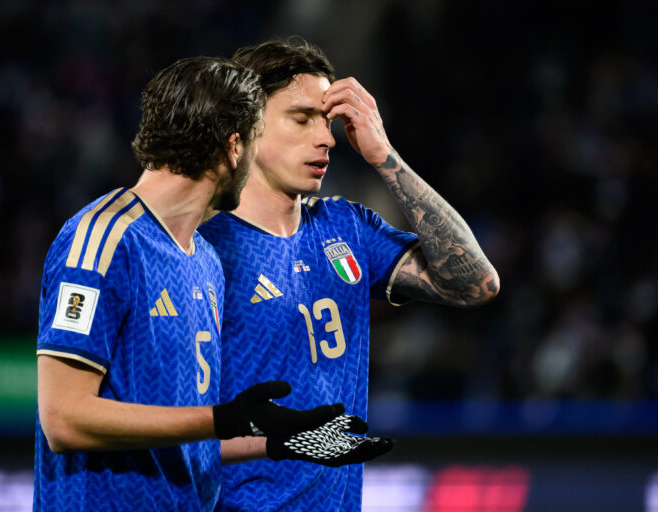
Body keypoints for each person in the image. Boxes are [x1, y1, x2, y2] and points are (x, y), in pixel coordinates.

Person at [33, 56, 363, 512]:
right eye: (252, 142)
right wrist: (226, 417)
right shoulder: (104, 240)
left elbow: (185, 433)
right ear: (233, 147)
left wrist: (277, 442)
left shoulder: (205, 258)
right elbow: (62, 419)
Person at [198, 38, 501, 510]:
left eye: (328, 121)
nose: (327, 138)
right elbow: (170, 430)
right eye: (302, 119)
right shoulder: (202, 249)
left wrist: (384, 155)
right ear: (245, 127)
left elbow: (476, 282)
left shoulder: (347, 227)